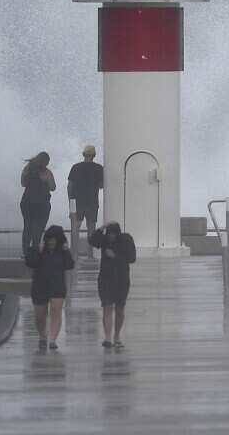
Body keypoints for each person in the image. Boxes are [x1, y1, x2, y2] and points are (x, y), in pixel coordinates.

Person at [24, 225, 74, 351]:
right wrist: (39, 251)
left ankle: (52, 339)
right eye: (50, 240)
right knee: (40, 315)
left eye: (54, 240)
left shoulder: (62, 252)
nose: (52, 242)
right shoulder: (38, 250)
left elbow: (69, 265)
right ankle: (42, 336)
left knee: (56, 311)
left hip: (57, 286)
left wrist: (67, 250)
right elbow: (30, 262)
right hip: (40, 286)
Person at [89, 221, 136, 349]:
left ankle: (117, 336)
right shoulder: (104, 240)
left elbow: (132, 258)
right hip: (105, 279)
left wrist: (115, 256)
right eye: (109, 234)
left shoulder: (126, 240)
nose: (112, 236)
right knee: (107, 307)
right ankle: (108, 338)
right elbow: (92, 240)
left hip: (121, 280)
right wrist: (102, 228)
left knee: (120, 310)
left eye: (114, 234)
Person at [66, 145, 104, 258]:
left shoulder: (75, 167)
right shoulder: (99, 168)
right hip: (92, 202)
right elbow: (101, 185)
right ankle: (90, 254)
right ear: (94, 155)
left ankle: (74, 254)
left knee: (75, 228)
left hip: (76, 202)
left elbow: (69, 186)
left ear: (83, 154)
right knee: (91, 228)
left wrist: (70, 202)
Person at [19, 152, 56, 253]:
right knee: (38, 229)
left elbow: (22, 183)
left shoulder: (28, 169)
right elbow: (53, 187)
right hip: (42, 205)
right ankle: (35, 251)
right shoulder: (47, 173)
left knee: (27, 227)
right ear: (46, 162)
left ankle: (25, 252)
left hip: (27, 203)